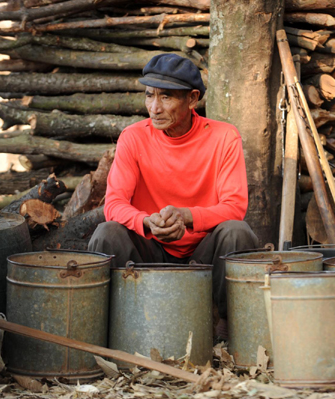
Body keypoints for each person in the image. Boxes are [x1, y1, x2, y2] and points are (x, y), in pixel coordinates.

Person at [88, 53, 259, 340]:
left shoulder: (224, 137)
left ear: (192, 99)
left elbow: (235, 207)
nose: (154, 108)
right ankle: (104, 330)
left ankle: (229, 328)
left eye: (166, 97)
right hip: (150, 250)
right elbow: (114, 204)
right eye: (149, 96)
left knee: (237, 232)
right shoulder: (133, 137)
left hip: (202, 255)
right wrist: (147, 222)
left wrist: (187, 216)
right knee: (106, 233)